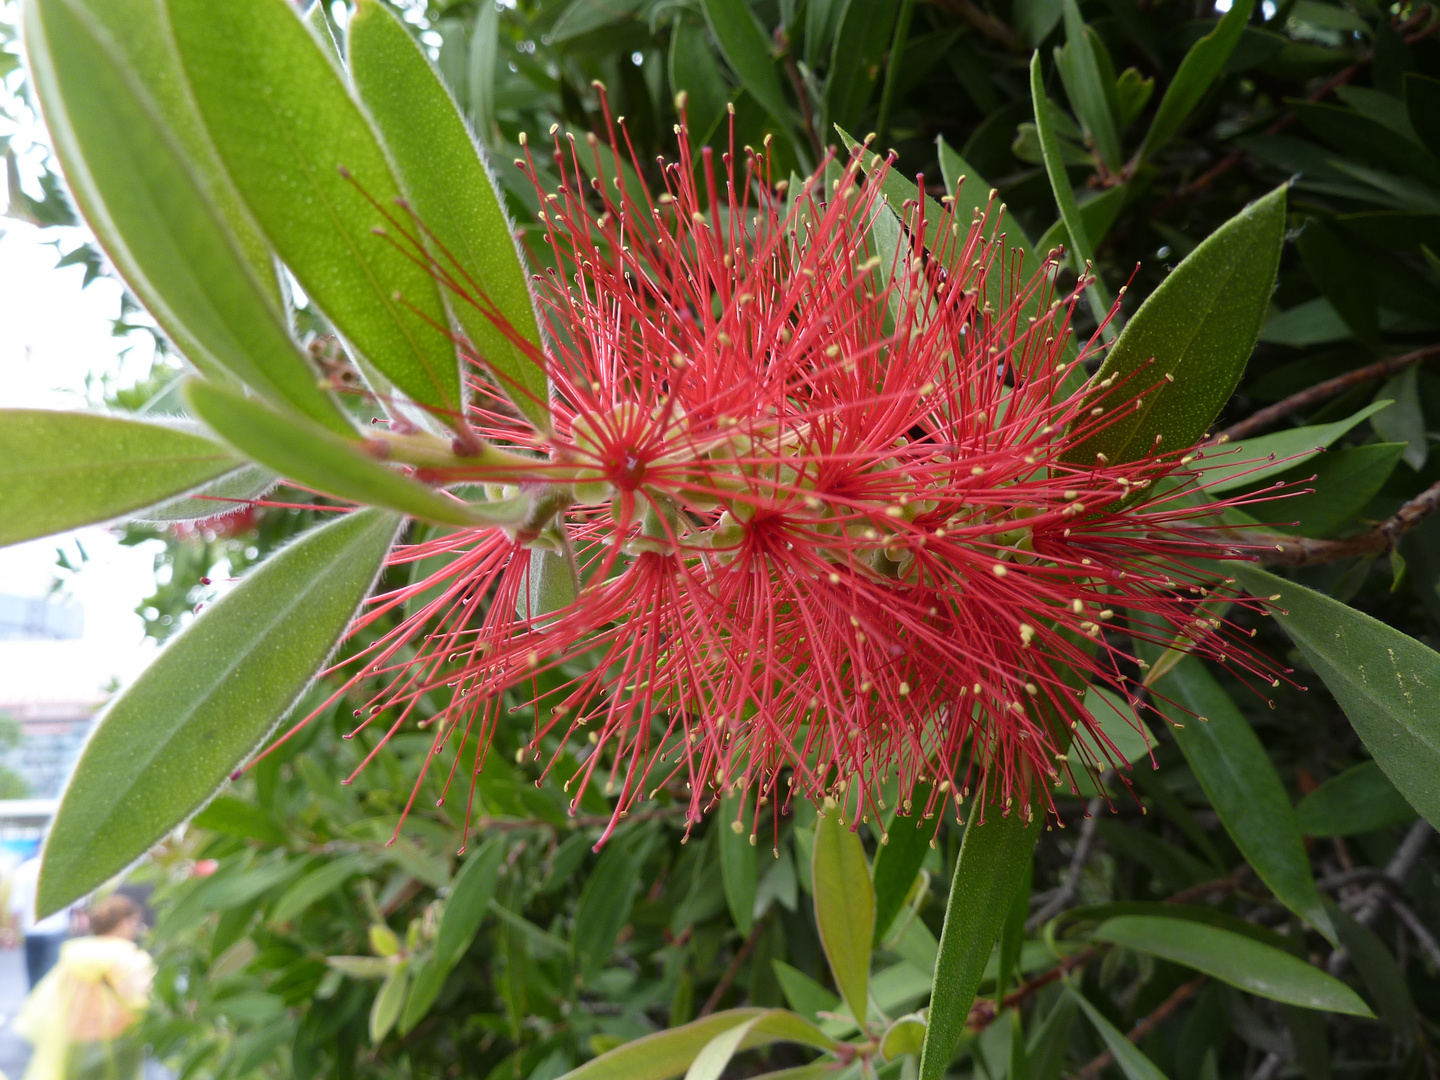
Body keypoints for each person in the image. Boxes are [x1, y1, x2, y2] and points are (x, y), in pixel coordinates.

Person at [14, 895, 155, 1080]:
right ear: (123, 923)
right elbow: (142, 998)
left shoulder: (74, 954)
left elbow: (54, 995)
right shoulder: (127, 957)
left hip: (77, 1036)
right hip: (118, 1036)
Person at [7, 856, 71, 989]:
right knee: (53, 978)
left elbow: (16, 906)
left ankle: (34, 1006)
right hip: (56, 929)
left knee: (34, 978)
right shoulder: (62, 868)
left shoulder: (24, 870)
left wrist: (12, 932)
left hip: (31, 931)